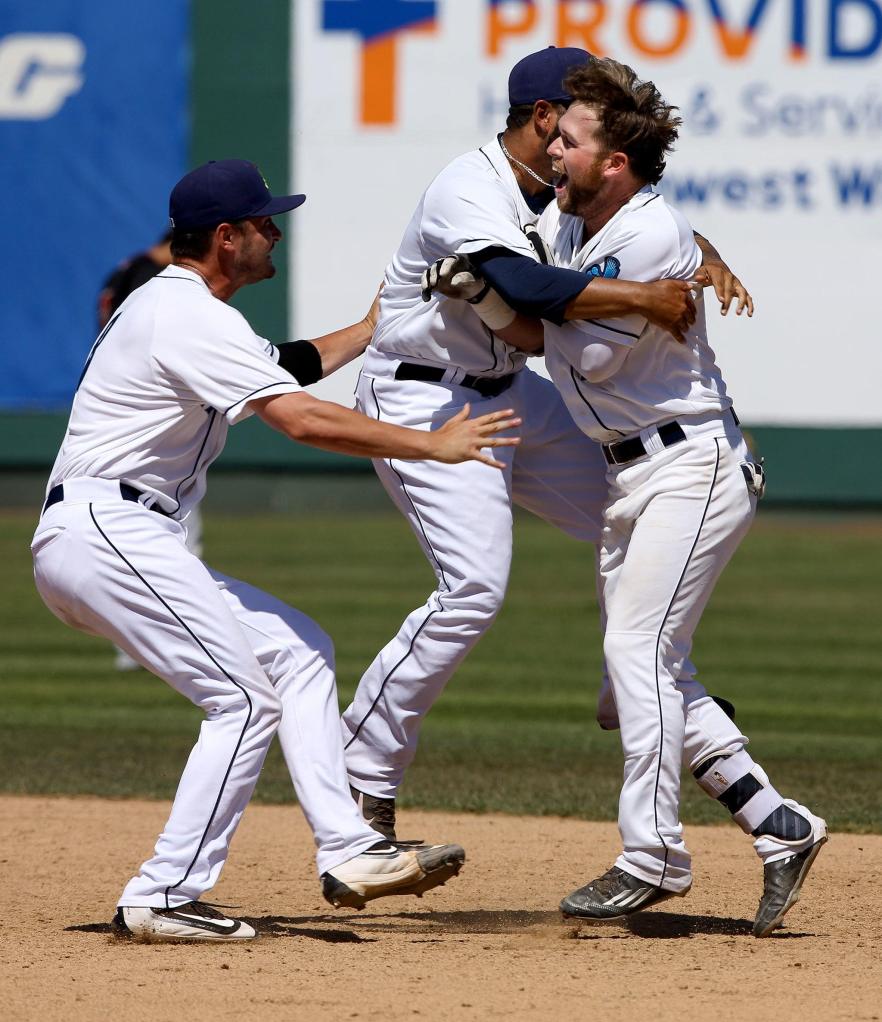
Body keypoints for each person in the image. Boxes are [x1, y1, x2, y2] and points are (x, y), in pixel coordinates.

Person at [30, 159, 521, 943]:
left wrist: (373, 325)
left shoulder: (182, 308)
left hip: (115, 534)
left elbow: (283, 366)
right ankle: (162, 892)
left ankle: (351, 847)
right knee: (243, 696)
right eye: (262, 223)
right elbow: (300, 418)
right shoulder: (185, 312)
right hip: (104, 531)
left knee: (298, 651)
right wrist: (430, 445)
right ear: (225, 238)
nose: (275, 232)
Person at [440, 59, 827, 937]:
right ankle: (780, 825)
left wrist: (497, 300)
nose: (556, 150)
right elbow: (555, 315)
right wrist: (501, 291)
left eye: (571, 141)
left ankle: (652, 856)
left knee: (635, 646)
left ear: (615, 162)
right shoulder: (587, 224)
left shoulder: (644, 236)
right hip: (632, 471)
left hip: (690, 467)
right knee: (645, 676)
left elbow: (576, 347)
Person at [341, 46, 751, 843]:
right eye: (572, 122)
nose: (576, 140)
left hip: (511, 393)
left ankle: (631, 684)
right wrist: (641, 294)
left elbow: (635, 217)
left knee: (635, 503)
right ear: (544, 120)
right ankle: (363, 766)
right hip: (422, 394)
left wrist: (704, 253)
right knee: (474, 589)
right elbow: (526, 291)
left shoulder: (560, 194)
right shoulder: (469, 188)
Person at [96, 229, 204, 671]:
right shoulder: (157, 280)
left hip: (116, 410)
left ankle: (142, 644)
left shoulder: (125, 269)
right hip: (151, 429)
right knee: (178, 535)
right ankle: (155, 644)